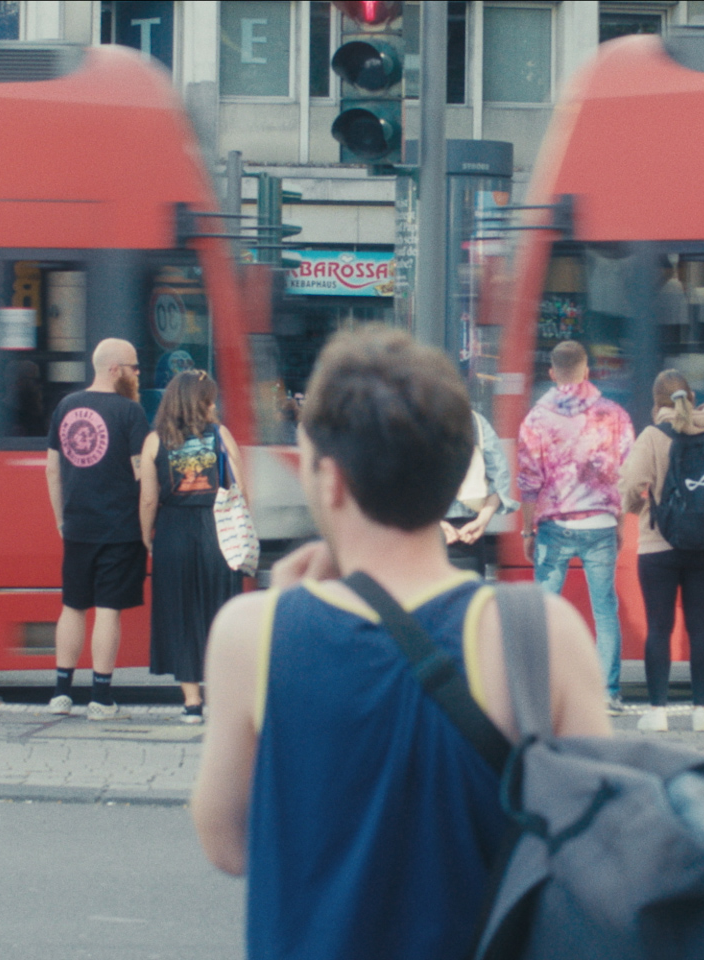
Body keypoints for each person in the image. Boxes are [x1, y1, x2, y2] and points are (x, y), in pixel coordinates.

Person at [189, 325, 611, 960]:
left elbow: (227, 844)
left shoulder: (252, 635)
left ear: (330, 481)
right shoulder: (543, 634)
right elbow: (596, 851)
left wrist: (289, 601)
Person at [620, 370, 704, 734]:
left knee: (659, 628)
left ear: (656, 403)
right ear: (692, 397)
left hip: (658, 547)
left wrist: (642, 510)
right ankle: (701, 712)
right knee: (700, 626)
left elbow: (632, 484)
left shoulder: (651, 437)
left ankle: (658, 714)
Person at [516, 340, 636, 713]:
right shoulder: (613, 414)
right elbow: (627, 472)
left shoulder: (536, 418)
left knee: (546, 611)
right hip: (600, 522)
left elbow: (528, 480)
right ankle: (607, 693)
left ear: (552, 373)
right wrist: (618, 521)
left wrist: (526, 531)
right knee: (604, 610)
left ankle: (544, 694)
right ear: (587, 371)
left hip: (554, 525)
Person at [45, 338, 150, 721]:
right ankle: (100, 699)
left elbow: (52, 469)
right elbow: (143, 473)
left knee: (72, 606)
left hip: (77, 526)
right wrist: (148, 524)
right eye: (134, 367)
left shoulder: (66, 407)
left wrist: (61, 518)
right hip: (120, 528)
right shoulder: (130, 412)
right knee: (107, 610)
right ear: (114, 369)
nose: (138, 374)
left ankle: (60, 694)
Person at [138, 369, 248, 724]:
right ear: (204, 402)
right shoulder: (222, 435)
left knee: (181, 612)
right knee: (220, 610)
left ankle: (192, 702)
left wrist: (146, 537)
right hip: (218, 529)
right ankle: (224, 696)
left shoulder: (155, 441)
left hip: (173, 532)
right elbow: (239, 491)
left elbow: (149, 500)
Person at [440, 408, 516, 578]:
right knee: (469, 600)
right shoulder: (475, 421)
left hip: (426, 536)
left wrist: (438, 525)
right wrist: (482, 520)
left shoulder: (412, 421)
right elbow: (499, 477)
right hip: (470, 533)